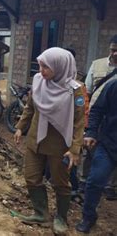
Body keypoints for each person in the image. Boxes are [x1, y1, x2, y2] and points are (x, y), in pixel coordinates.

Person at [13, 47, 85, 234]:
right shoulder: (38, 82)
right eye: (40, 66)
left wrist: (75, 149)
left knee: (61, 182)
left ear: (60, 67)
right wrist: (20, 127)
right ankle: (41, 213)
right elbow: (30, 107)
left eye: (46, 67)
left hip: (60, 145)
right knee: (31, 177)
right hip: (36, 139)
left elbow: (79, 122)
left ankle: (61, 217)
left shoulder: (74, 90)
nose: (41, 71)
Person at [76, 79, 117, 233]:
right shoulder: (113, 85)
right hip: (109, 143)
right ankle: (88, 216)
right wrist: (91, 132)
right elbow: (97, 110)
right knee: (95, 180)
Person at [81, 36, 117, 199]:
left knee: (111, 151)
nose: (114, 53)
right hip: (95, 114)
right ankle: (85, 179)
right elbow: (87, 90)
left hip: (112, 120)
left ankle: (109, 185)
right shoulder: (97, 64)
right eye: (112, 49)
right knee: (89, 148)